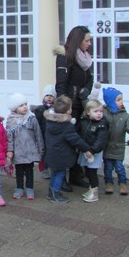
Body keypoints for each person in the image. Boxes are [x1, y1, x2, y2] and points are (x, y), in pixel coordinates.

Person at [54, 25, 93, 189]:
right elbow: (61, 85)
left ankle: (76, 174)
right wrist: (65, 109)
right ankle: (61, 178)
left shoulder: (85, 58)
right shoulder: (64, 57)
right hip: (69, 107)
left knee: (78, 140)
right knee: (65, 143)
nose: (89, 44)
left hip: (81, 105)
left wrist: (87, 89)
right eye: (87, 40)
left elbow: (89, 79)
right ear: (78, 41)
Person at [44, 95, 93, 203]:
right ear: (67, 111)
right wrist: (87, 148)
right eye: (70, 108)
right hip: (61, 156)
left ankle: (51, 192)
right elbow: (76, 140)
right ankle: (55, 194)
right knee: (60, 174)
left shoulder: (50, 122)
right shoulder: (66, 126)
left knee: (55, 173)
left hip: (52, 154)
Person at [6, 93, 44, 200]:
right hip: (18, 151)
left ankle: (30, 188)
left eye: (25, 104)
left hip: (30, 150)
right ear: (14, 108)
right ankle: (19, 188)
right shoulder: (11, 120)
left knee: (29, 170)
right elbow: (9, 137)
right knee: (19, 171)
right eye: (21, 105)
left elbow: (38, 134)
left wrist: (40, 148)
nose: (24, 107)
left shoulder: (31, 118)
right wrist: (10, 150)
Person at [102, 87, 129, 196]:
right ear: (110, 101)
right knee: (108, 168)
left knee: (119, 167)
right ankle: (109, 183)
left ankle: (123, 184)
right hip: (107, 146)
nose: (121, 102)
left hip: (119, 147)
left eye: (121, 99)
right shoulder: (104, 113)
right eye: (118, 100)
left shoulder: (125, 115)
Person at [78, 100, 108, 203]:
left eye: (101, 111)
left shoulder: (101, 124)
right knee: (87, 170)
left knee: (92, 172)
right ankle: (91, 189)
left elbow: (101, 140)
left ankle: (94, 191)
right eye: (96, 111)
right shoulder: (84, 121)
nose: (99, 113)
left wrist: (92, 150)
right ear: (88, 112)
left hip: (94, 152)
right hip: (85, 150)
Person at [32, 85, 57, 179]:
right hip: (43, 134)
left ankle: (52, 167)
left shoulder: (56, 110)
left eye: (51, 96)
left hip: (52, 135)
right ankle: (44, 169)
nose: (49, 97)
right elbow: (37, 123)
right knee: (43, 153)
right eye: (47, 95)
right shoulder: (40, 109)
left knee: (51, 152)